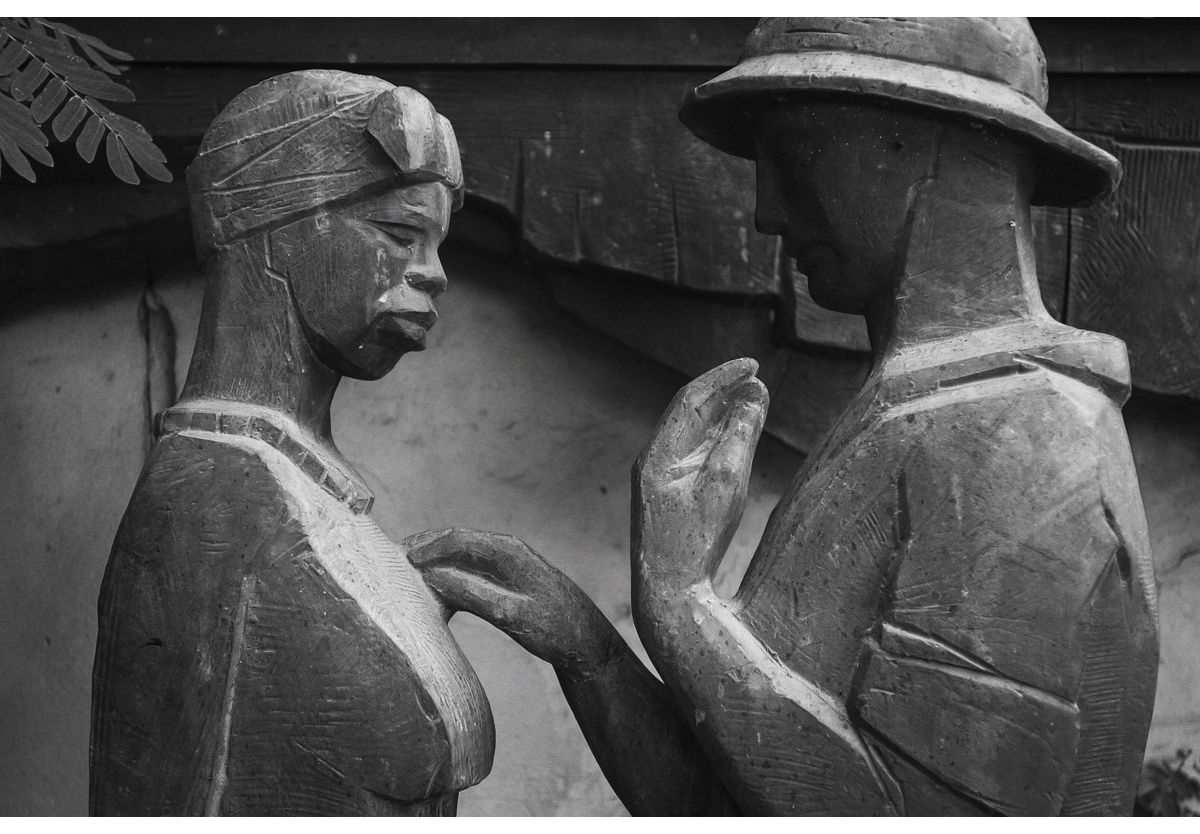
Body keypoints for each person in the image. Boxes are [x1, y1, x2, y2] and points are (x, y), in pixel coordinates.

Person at [412, 18, 1159, 815]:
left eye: (797, 156)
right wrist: (590, 649)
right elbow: (726, 805)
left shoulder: (1017, 438)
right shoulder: (927, 412)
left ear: (919, 149)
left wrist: (681, 602)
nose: (768, 209)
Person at [90, 71, 493, 815]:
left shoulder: (315, 489)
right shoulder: (207, 496)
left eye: (436, 243)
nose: (434, 274)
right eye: (400, 233)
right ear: (277, 235)